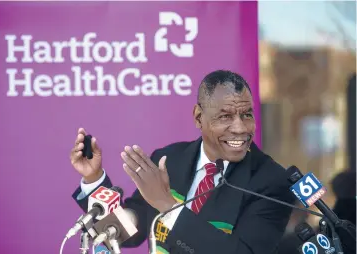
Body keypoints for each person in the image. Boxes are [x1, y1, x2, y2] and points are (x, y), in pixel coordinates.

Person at [70, 70, 296, 254]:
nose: (240, 128)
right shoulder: (167, 160)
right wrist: (93, 179)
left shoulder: (272, 182)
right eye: (225, 116)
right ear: (199, 117)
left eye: (247, 114)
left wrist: (168, 206)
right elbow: (130, 230)